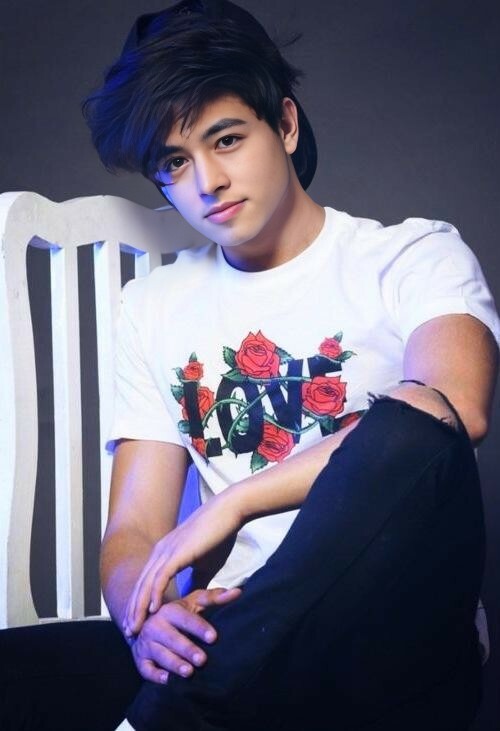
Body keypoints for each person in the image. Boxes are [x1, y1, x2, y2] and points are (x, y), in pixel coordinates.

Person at [0, 1, 498, 730]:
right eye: (175, 162)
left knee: (413, 419)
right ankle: (193, 694)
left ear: (285, 125)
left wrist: (233, 503)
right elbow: (134, 529)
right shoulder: (154, 306)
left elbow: (453, 407)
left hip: (392, 641)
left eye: (226, 139)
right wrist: (146, 615)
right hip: (235, 637)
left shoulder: (412, 255)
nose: (207, 181)